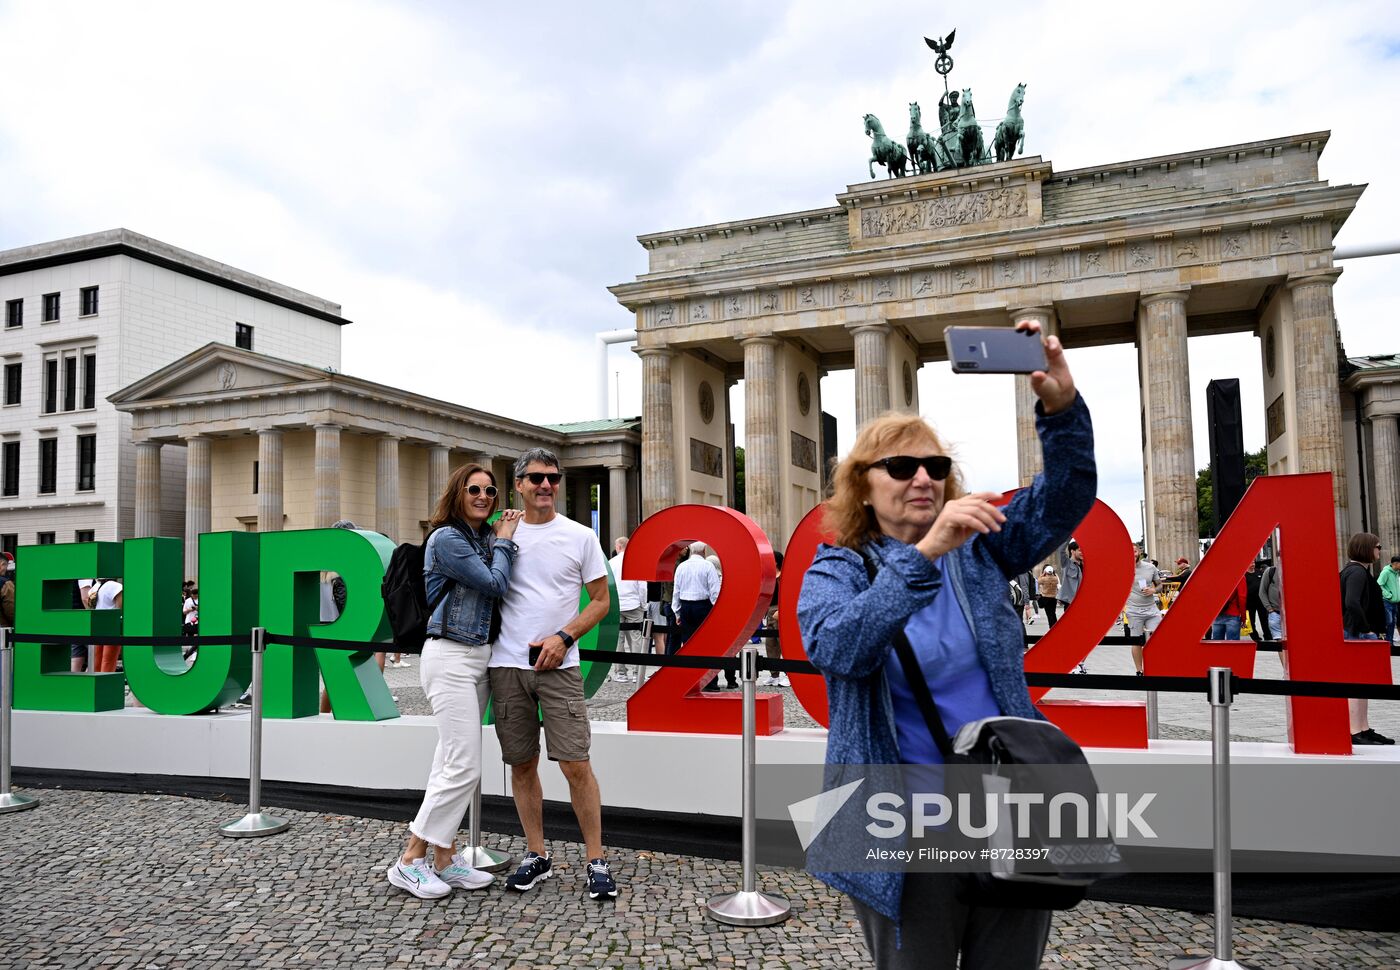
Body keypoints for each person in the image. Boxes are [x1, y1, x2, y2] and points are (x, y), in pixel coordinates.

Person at [797, 319, 1092, 969]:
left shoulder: (981, 550)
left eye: (935, 465)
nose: (922, 477)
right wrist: (925, 553)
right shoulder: (838, 568)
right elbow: (839, 648)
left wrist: (1061, 405)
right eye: (900, 467)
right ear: (863, 487)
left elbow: (1066, 496)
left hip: (1009, 814)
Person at [387, 463, 523, 899]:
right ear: (457, 493)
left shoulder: (482, 537)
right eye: (474, 489)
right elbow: (495, 583)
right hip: (449, 655)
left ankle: (444, 857)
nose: (483, 496)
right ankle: (410, 859)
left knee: (448, 761)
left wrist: (499, 538)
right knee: (465, 764)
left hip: (478, 657)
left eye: (490, 490)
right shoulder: (447, 539)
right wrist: (505, 542)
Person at [490, 448, 617, 900]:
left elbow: (600, 602)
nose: (547, 486)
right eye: (537, 478)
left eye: (553, 478)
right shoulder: (501, 532)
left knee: (575, 763)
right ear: (519, 484)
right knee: (521, 763)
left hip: (560, 665)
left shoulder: (581, 536)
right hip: (506, 665)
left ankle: (596, 859)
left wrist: (563, 637)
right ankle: (537, 853)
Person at [1340, 532, 1392, 745]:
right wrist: (1367, 630)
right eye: (1377, 546)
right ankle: (1355, 730)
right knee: (1355, 683)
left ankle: (1363, 727)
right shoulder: (1356, 572)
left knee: (1361, 683)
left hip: (1356, 632)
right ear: (1367, 548)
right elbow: (1351, 602)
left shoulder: (1355, 571)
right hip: (1356, 634)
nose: (1379, 550)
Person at [672, 540, 730, 689]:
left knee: (688, 644)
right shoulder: (708, 566)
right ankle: (710, 682)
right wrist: (716, 611)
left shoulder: (681, 567)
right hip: (703, 607)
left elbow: (676, 591)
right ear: (704, 551)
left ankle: (691, 680)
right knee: (707, 644)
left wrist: (677, 612)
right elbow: (714, 591)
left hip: (686, 606)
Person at [608, 537, 647, 684]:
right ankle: (637, 672)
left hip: (617, 605)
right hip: (633, 604)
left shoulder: (611, 564)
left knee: (618, 640)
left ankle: (620, 673)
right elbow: (642, 587)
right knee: (636, 639)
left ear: (618, 547)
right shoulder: (636, 562)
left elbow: (608, 586)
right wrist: (643, 605)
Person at [1123, 551, 1163, 674]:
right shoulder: (1122, 568)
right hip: (1134, 610)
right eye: (1130, 551)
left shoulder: (1150, 567)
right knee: (1136, 641)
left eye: (1134, 551)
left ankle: (1154, 668)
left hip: (1151, 609)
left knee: (1155, 639)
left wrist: (1153, 590)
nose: (1133, 554)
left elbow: (1160, 585)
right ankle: (1139, 671)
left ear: (1139, 552)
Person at [1056, 541, 1088, 672]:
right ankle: (1072, 662)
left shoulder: (1087, 564)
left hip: (1085, 604)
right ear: (1072, 551)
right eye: (1079, 550)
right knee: (1073, 634)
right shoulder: (1066, 564)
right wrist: (1071, 534)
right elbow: (1059, 550)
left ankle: (1081, 662)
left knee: (1086, 635)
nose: (1082, 552)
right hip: (1071, 604)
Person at [92, 578, 124, 672]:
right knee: (109, 660)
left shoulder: (96, 586)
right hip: (112, 627)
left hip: (97, 626)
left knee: (97, 660)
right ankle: (105, 682)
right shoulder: (115, 586)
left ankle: (96, 683)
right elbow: (120, 609)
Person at [1205, 573, 1248, 640]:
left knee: (1217, 644)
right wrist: (1243, 617)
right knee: (1232, 645)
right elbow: (1242, 598)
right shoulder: (1239, 576)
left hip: (1217, 614)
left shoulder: (1215, 576)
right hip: (1233, 613)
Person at [1258, 559, 1284, 640]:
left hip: (1291, 614)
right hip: (1275, 612)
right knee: (1280, 642)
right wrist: (1270, 609)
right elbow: (1262, 592)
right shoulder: (1270, 571)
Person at [1379, 554, 1400, 647]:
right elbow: (1379, 584)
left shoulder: (1396, 573)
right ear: (1395, 564)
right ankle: (1387, 642)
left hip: (1395, 602)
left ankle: (1390, 642)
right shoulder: (1386, 572)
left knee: (1392, 623)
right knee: (1389, 622)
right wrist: (1388, 595)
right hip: (1387, 601)